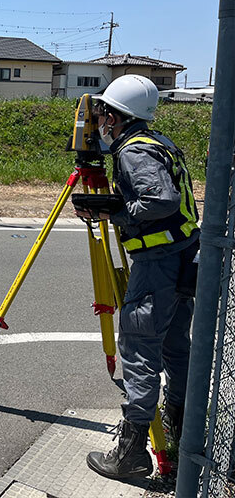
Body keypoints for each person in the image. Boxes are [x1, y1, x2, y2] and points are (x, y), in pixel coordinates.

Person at [76, 74, 199, 480]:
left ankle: (131, 454)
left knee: (140, 348)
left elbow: (158, 199)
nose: (101, 123)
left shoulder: (132, 151)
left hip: (159, 262)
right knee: (176, 348)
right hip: (183, 255)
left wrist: (116, 212)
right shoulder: (157, 141)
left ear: (116, 115)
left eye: (105, 115)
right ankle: (181, 435)